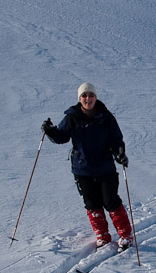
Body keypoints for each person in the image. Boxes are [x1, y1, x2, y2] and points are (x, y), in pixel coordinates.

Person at [42, 82, 133, 250]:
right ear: (79, 98)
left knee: (111, 201)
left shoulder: (106, 117)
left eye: (91, 95)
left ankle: (125, 234)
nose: (87, 99)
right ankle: (102, 236)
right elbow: (62, 137)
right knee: (92, 203)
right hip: (82, 169)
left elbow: (116, 139)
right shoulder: (72, 117)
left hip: (105, 167)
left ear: (95, 97)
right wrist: (50, 132)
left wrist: (119, 153)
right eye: (84, 96)